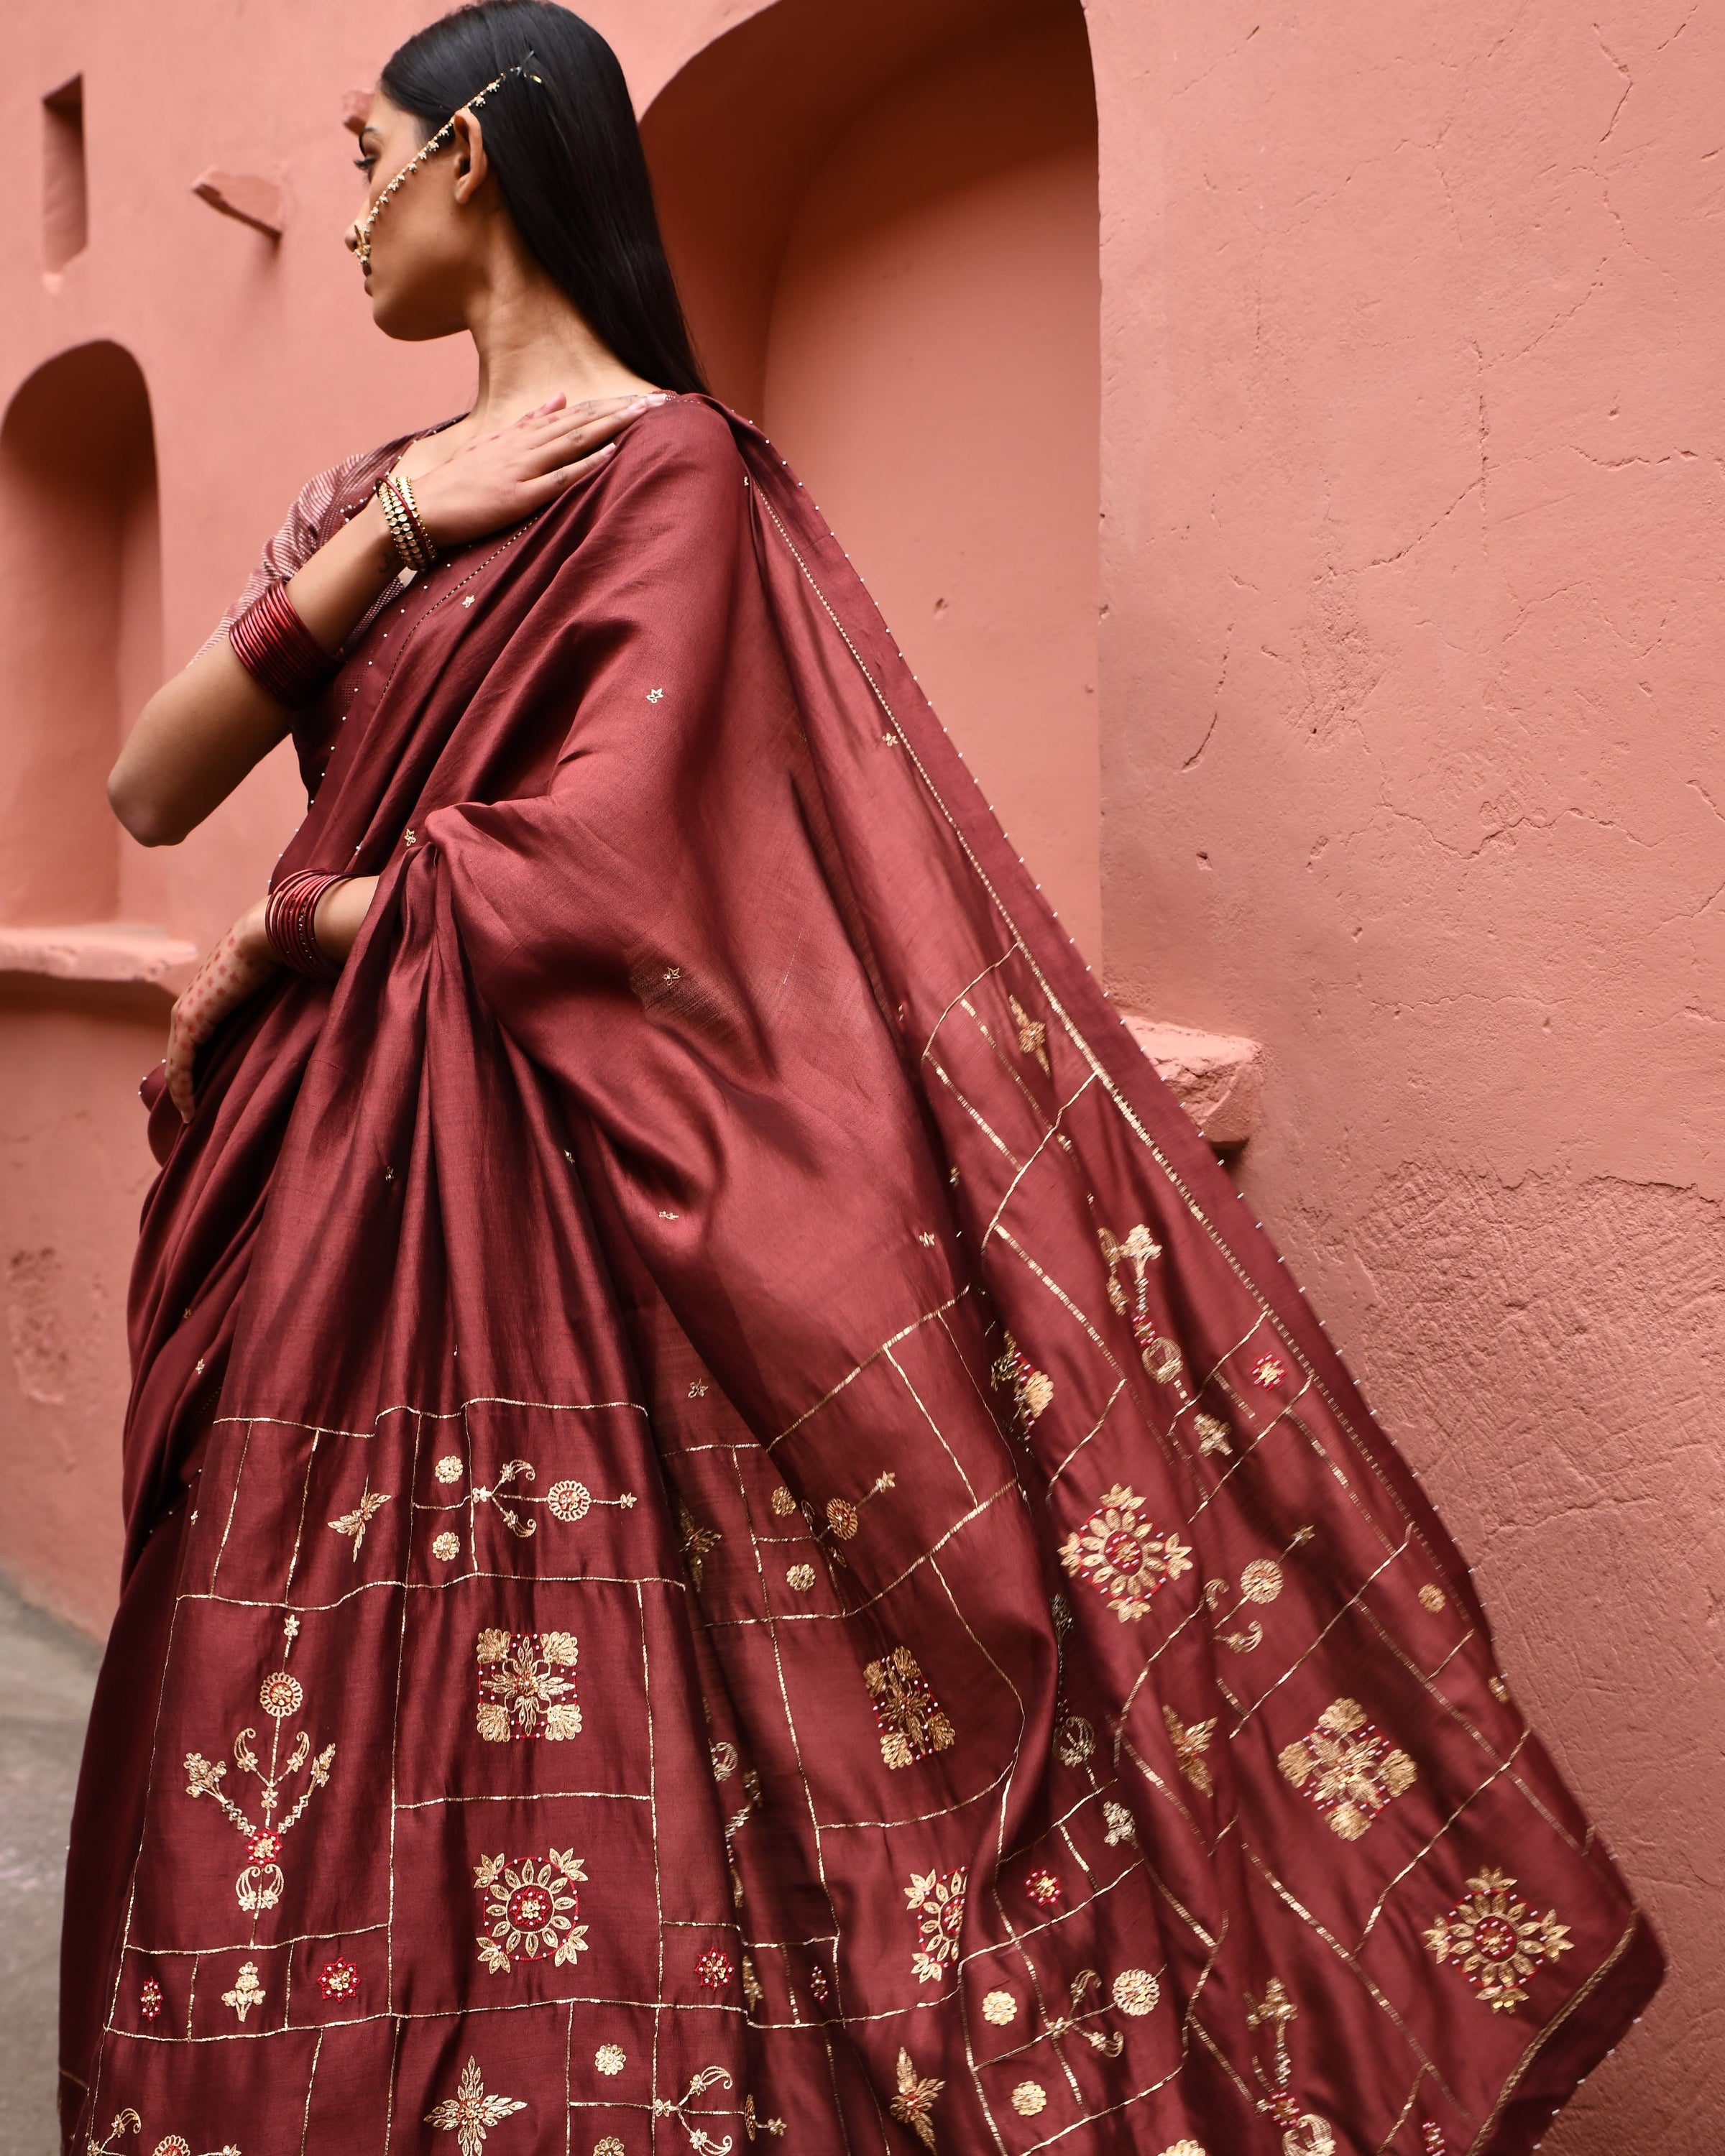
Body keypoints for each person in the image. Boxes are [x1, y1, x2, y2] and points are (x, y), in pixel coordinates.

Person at [60, 4, 1660, 2150]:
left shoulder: (671, 472)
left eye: (368, 160)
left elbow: (622, 870)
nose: (348, 215)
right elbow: (149, 786)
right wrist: (387, 550)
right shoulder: (369, 497)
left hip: (571, 1168)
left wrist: (293, 928)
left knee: (645, 1746)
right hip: (345, 1180)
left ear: (476, 160)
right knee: (279, 1706)